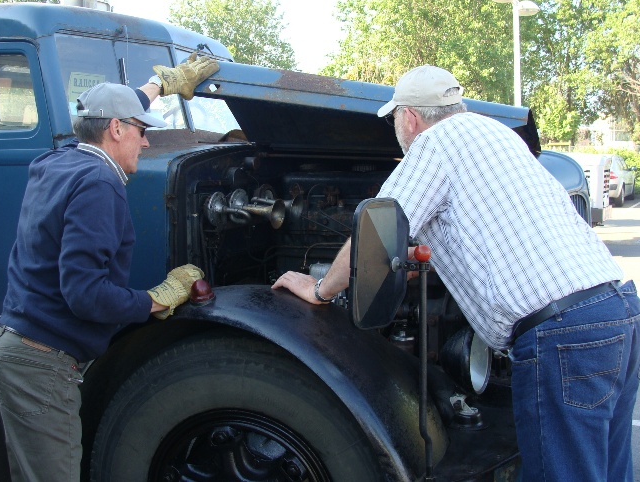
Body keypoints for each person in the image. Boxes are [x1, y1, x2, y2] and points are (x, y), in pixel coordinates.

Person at [272, 64, 640, 482]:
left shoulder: (433, 144)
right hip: (618, 311)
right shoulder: (496, 134)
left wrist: (320, 289)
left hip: (563, 335)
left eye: (395, 117)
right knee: (612, 471)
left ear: (409, 117)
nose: (397, 126)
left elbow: (375, 227)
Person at [0, 54, 219, 482]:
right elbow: (84, 294)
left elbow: (104, 110)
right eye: (141, 130)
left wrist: (160, 84)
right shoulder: (100, 184)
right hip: (40, 369)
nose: (146, 142)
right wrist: (155, 300)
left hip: (4, 352)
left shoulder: (59, 162)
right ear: (116, 129)